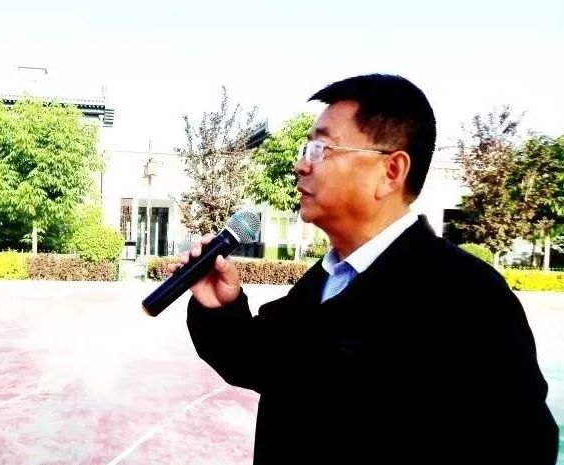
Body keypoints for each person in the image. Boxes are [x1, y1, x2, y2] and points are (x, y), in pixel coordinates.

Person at [170, 74, 559, 464]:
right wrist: (221, 308)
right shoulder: (324, 281)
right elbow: (261, 362)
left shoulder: (468, 296)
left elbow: (524, 445)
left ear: (391, 172)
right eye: (306, 148)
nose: (300, 165)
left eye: (321, 149)